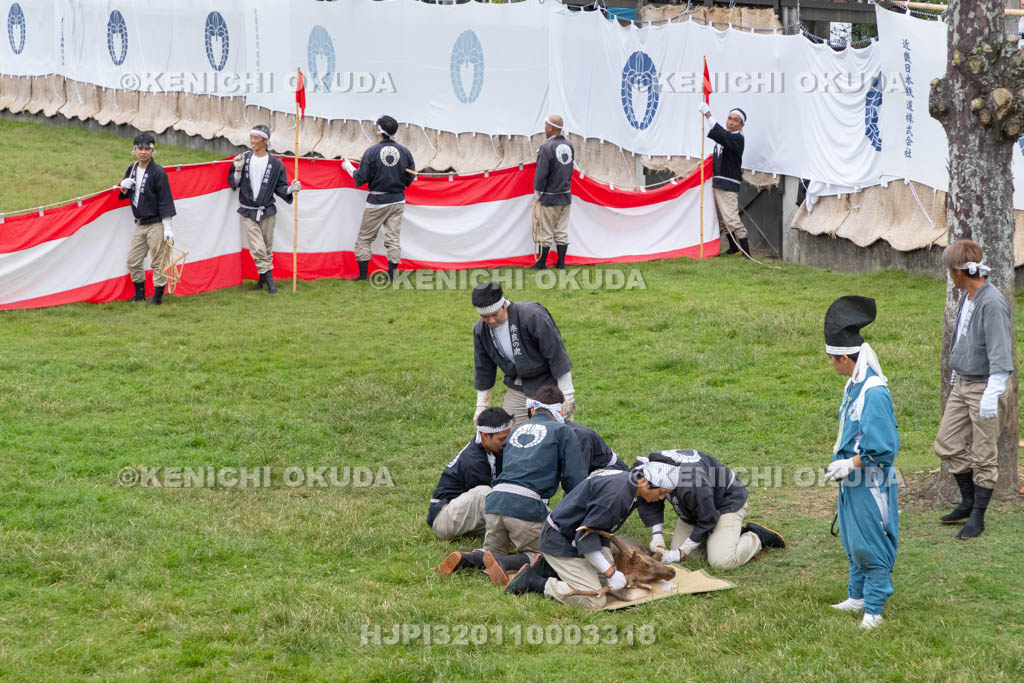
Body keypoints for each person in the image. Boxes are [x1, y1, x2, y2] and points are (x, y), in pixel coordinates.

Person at [823, 295, 900, 630]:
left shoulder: (874, 392)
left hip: (870, 481)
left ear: (844, 357)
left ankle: (875, 608)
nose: (830, 363)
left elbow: (883, 448)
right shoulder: (853, 384)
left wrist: (851, 464)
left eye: (831, 358)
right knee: (853, 540)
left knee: (872, 542)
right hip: (851, 480)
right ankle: (857, 596)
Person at [504, 462, 675, 610]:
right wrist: (610, 572)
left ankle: (548, 568)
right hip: (560, 540)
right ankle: (533, 581)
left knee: (613, 583)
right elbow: (585, 538)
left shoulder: (630, 485)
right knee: (594, 600)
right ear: (645, 482)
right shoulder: (617, 496)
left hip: (574, 536)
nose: (661, 498)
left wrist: (610, 566)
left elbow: (602, 529)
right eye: (661, 492)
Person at [933, 240, 1014, 539]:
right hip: (963, 383)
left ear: (958, 272)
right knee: (946, 444)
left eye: (949, 271)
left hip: (985, 387)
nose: (949, 276)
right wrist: (957, 375)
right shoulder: (967, 297)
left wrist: (993, 392)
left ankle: (978, 516)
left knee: (983, 456)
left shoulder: (992, 303)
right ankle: (967, 502)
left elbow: (1000, 351)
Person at [479, 386, 587, 587]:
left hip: (494, 503)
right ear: (560, 410)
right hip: (525, 507)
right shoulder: (562, 431)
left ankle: (466, 558)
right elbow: (575, 481)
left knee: (491, 552)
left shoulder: (516, 430)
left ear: (533, 408)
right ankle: (505, 562)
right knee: (545, 556)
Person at [636, 449, 784, 572]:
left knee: (721, 562)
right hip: (695, 508)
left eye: (664, 493)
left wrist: (681, 551)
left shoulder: (694, 484)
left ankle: (756, 536)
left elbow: (708, 517)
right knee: (687, 557)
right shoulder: (643, 471)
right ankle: (724, 538)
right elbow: (646, 497)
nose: (662, 497)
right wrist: (657, 535)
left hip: (724, 502)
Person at [472, 281, 576, 426]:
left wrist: (567, 394)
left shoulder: (533, 316)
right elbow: (483, 369)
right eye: (485, 317)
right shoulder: (481, 330)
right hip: (519, 386)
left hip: (548, 385)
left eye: (495, 314)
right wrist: (481, 406)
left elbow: (557, 355)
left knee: (554, 431)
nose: (491, 320)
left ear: (504, 305)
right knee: (509, 432)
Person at [431, 408, 514, 578]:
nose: (506, 443)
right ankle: (493, 553)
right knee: (486, 493)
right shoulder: (473, 460)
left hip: (466, 515)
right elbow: (495, 499)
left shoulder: (495, 449)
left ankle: (477, 555)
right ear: (485, 436)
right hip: (444, 517)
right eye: (502, 439)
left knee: (510, 520)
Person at [226, 124, 300, 295]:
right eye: (251, 137)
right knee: (258, 248)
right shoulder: (244, 159)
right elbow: (234, 183)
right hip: (248, 211)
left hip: (267, 211)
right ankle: (271, 285)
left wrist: (290, 189)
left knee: (266, 248)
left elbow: (280, 187)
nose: (252, 141)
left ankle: (261, 282)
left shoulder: (275, 164)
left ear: (265, 141)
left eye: (256, 138)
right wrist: (238, 169)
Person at [341, 115, 416, 282]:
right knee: (393, 239)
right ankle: (392, 277)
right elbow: (409, 179)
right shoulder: (405, 152)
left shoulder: (371, 152)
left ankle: (362, 276)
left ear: (379, 131)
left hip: (377, 202)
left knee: (364, 238)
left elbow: (360, 178)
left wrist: (347, 167)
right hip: (398, 201)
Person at [118, 133, 176, 305]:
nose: (143, 152)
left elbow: (165, 200)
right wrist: (123, 188)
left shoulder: (159, 173)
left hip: (156, 223)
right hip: (140, 223)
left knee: (158, 261)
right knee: (133, 260)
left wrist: (167, 227)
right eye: (140, 148)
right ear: (134, 150)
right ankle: (140, 294)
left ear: (152, 151)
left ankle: (157, 298)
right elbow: (126, 193)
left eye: (147, 149)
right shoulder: (132, 169)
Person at [697, 103, 748, 257]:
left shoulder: (737, 138)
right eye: (729, 118)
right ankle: (734, 248)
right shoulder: (726, 138)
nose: (731, 122)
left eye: (735, 120)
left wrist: (708, 115)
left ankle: (747, 253)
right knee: (722, 219)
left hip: (728, 184)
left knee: (732, 219)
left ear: (742, 125)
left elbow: (721, 135)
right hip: (718, 182)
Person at [531, 114, 574, 270]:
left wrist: (538, 192)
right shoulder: (569, 145)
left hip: (550, 196)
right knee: (561, 230)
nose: (544, 128)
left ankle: (541, 263)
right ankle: (561, 264)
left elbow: (541, 173)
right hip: (565, 195)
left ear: (550, 127)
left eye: (545, 125)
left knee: (545, 231)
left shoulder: (546, 148)